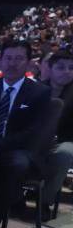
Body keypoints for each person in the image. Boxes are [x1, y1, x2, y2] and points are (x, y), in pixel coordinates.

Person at [0, 40, 52, 228]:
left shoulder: (40, 92)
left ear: (28, 63)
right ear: (0, 61)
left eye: (19, 58)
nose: (12, 63)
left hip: (18, 148)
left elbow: (33, 132)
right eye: (8, 58)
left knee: (16, 165)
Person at [40, 51, 73, 215]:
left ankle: (44, 201)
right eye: (61, 67)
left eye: (71, 68)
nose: (67, 72)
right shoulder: (37, 88)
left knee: (64, 154)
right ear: (50, 68)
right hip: (36, 139)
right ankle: (16, 198)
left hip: (65, 140)